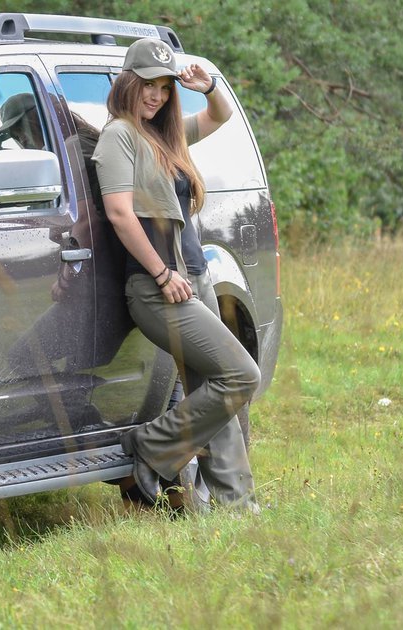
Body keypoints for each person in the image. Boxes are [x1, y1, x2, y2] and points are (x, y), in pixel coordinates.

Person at [93, 38, 261, 511]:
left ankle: (234, 503)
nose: (157, 95)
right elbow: (121, 214)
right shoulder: (118, 138)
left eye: (165, 87)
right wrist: (163, 274)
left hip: (194, 276)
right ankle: (150, 446)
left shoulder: (164, 137)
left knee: (215, 387)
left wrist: (209, 88)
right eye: (148, 84)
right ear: (128, 82)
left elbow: (220, 116)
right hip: (159, 287)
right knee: (239, 374)